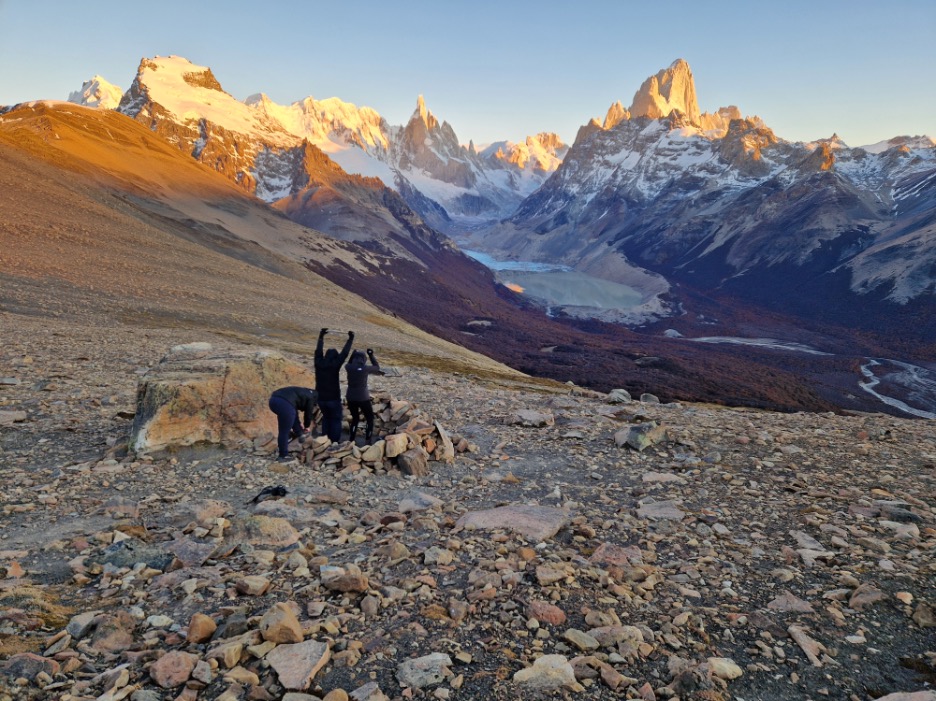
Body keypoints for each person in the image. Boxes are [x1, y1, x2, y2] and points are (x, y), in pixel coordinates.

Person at [315, 327, 354, 443]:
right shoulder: (335, 365)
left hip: (320, 398)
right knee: (336, 420)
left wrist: (321, 337)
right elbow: (345, 353)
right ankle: (335, 443)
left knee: (326, 418)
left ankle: (325, 441)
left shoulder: (319, 363)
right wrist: (350, 339)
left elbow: (318, 352)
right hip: (333, 398)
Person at [345, 347, 385, 444]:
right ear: (364, 359)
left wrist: (352, 354)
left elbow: (349, 363)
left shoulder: (348, 367)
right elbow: (377, 367)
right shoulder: (365, 368)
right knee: (370, 418)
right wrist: (371, 355)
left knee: (355, 418)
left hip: (350, 396)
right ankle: (368, 440)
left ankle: (351, 439)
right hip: (363, 397)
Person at [268, 386, 318, 462]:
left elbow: (294, 413)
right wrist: (307, 426)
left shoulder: (306, 392)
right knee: (284, 431)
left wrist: (300, 431)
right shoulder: (312, 398)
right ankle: (283, 455)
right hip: (284, 403)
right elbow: (308, 414)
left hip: (273, 400)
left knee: (292, 415)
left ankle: (299, 434)